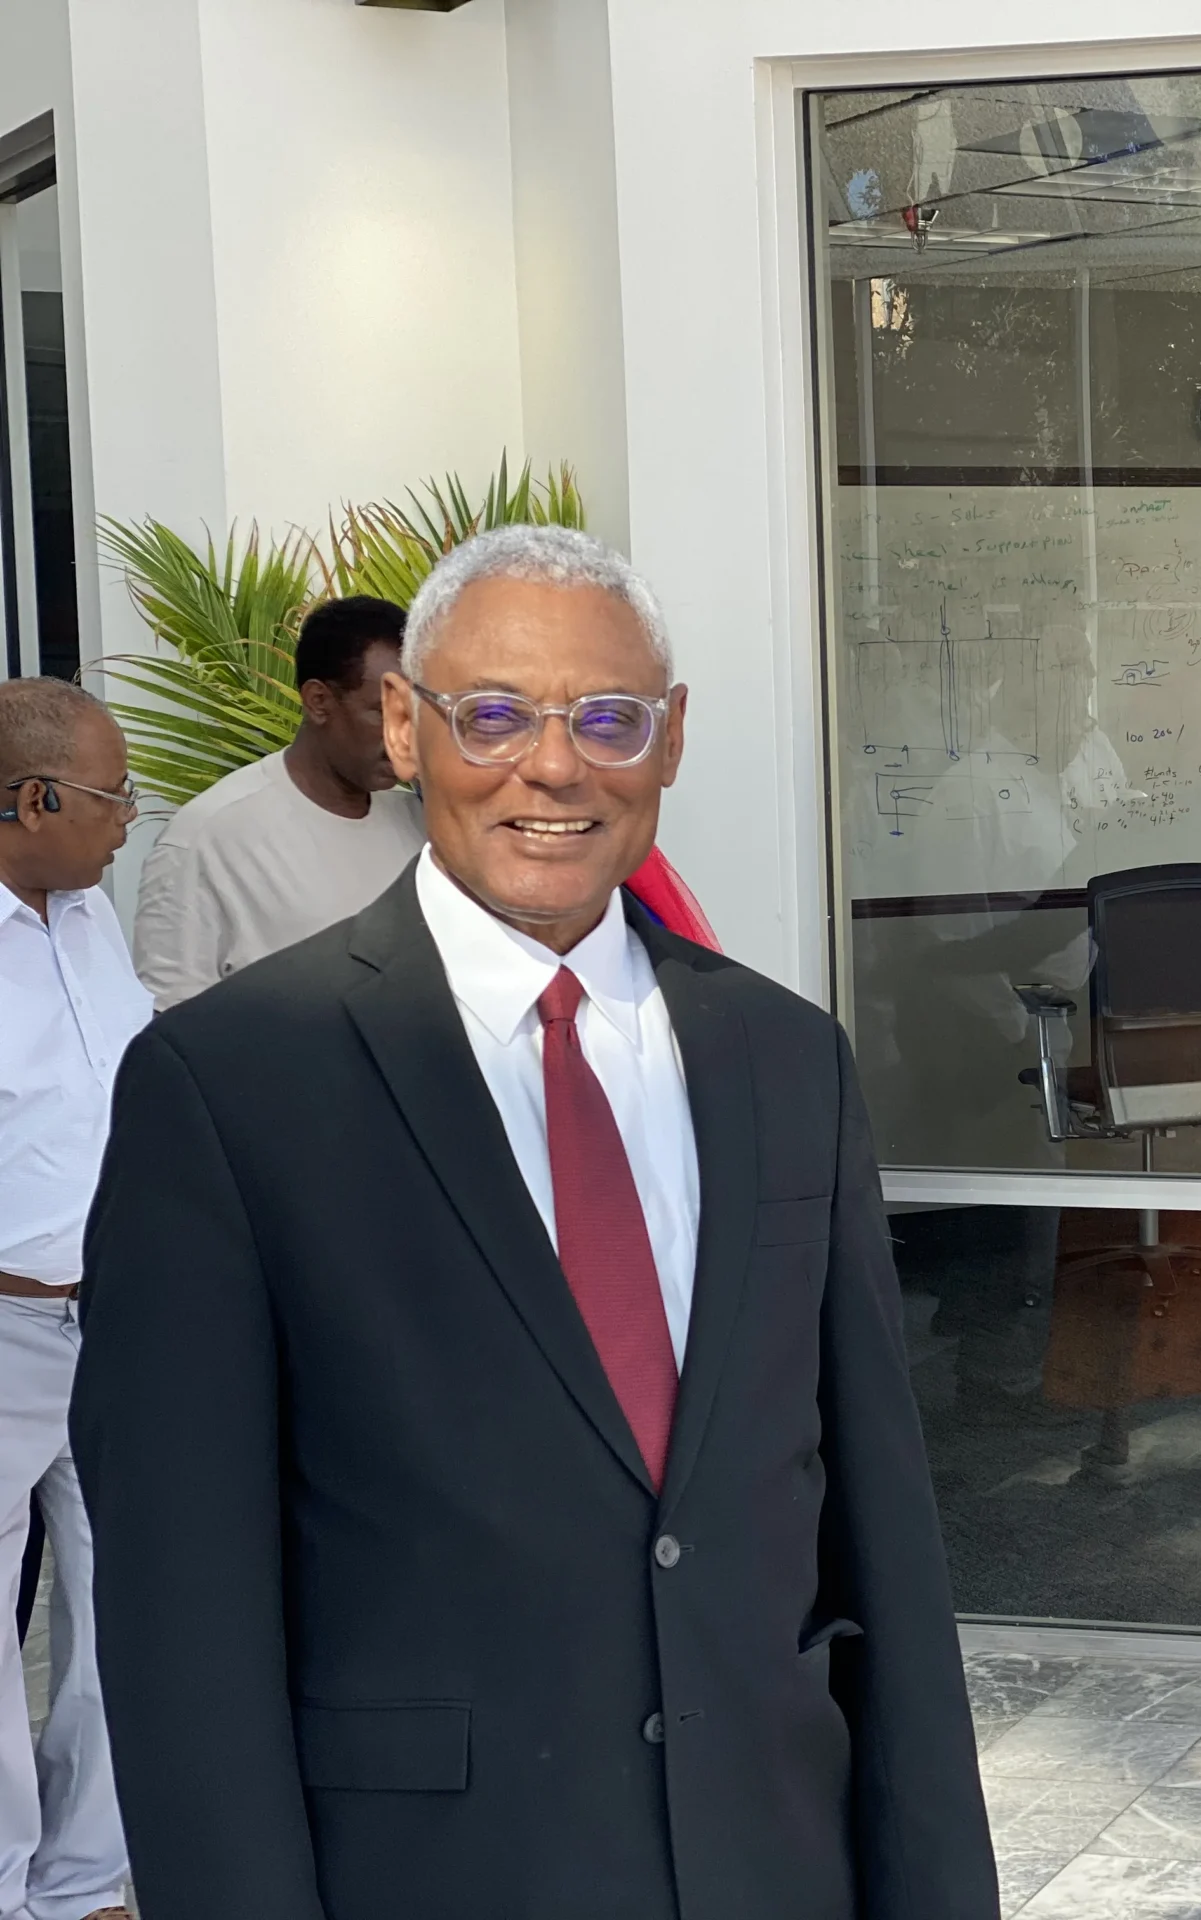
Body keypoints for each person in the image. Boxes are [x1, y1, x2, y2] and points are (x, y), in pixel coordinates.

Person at [74, 527, 997, 1920]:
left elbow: (879, 1536)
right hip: (434, 1876)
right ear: (403, 723)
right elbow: (181, 1620)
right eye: (493, 713)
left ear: (669, 740)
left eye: (607, 719)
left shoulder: (784, 1057)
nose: (553, 767)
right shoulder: (232, 1084)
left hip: (770, 1859)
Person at [0, 677, 143, 1920]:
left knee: (127, 1599)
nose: (128, 819)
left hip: (124, 1320)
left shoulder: (89, 915)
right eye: (112, 796)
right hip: (3, 1326)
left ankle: (88, 1881)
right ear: (33, 798)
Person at [131, 595, 424, 1008]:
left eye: (415, 715)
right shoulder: (206, 838)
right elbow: (170, 1022)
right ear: (319, 701)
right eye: (382, 713)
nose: (404, 737)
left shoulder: (417, 821)